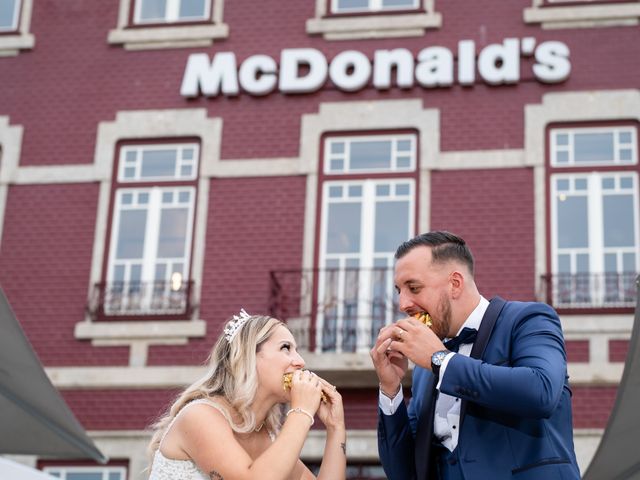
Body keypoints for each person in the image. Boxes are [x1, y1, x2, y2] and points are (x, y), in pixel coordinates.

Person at [370, 231, 580, 480]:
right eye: (399, 291)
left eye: (413, 287)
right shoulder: (424, 371)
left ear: (455, 284)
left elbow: (541, 391)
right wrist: (390, 389)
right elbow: (403, 472)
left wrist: (440, 360)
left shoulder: (528, 319)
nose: (403, 303)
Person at [148, 310, 346, 480]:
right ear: (248, 356)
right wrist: (302, 411)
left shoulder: (267, 436)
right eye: (286, 348)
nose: (300, 361)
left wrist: (335, 427)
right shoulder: (200, 416)